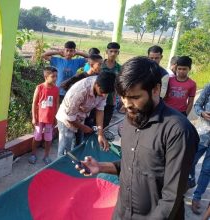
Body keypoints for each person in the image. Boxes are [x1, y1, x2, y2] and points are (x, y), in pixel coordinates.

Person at [76, 56, 199, 219]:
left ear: (155, 90)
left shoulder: (178, 131)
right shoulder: (130, 119)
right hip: (122, 212)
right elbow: (133, 164)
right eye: (123, 96)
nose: (127, 104)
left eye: (135, 97)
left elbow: (172, 197)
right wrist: (100, 167)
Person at [55, 72, 115, 157]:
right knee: (64, 151)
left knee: (79, 146)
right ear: (97, 85)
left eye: (106, 93)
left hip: (80, 117)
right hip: (66, 120)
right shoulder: (80, 91)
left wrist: (100, 133)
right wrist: (83, 127)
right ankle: (62, 167)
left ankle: (76, 166)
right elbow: (70, 118)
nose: (103, 95)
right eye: (102, 92)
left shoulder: (105, 87)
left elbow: (100, 110)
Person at [28, 67, 60, 165]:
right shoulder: (40, 87)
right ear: (46, 77)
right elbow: (34, 103)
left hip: (50, 119)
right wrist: (34, 117)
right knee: (37, 136)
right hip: (39, 118)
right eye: (53, 76)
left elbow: (57, 104)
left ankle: (46, 155)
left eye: (56, 76)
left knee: (48, 138)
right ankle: (33, 154)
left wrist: (56, 118)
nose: (55, 78)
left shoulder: (56, 89)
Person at [190, 83, 210, 214]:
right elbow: (197, 105)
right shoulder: (209, 87)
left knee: (207, 169)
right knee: (190, 161)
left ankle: (196, 197)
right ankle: (188, 182)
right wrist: (202, 113)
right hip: (202, 134)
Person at [102, 42, 121, 127]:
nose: (113, 54)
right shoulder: (100, 65)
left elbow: (120, 83)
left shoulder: (120, 68)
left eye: (115, 51)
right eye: (111, 51)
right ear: (107, 51)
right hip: (98, 99)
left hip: (111, 100)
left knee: (105, 124)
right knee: (94, 123)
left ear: (118, 53)